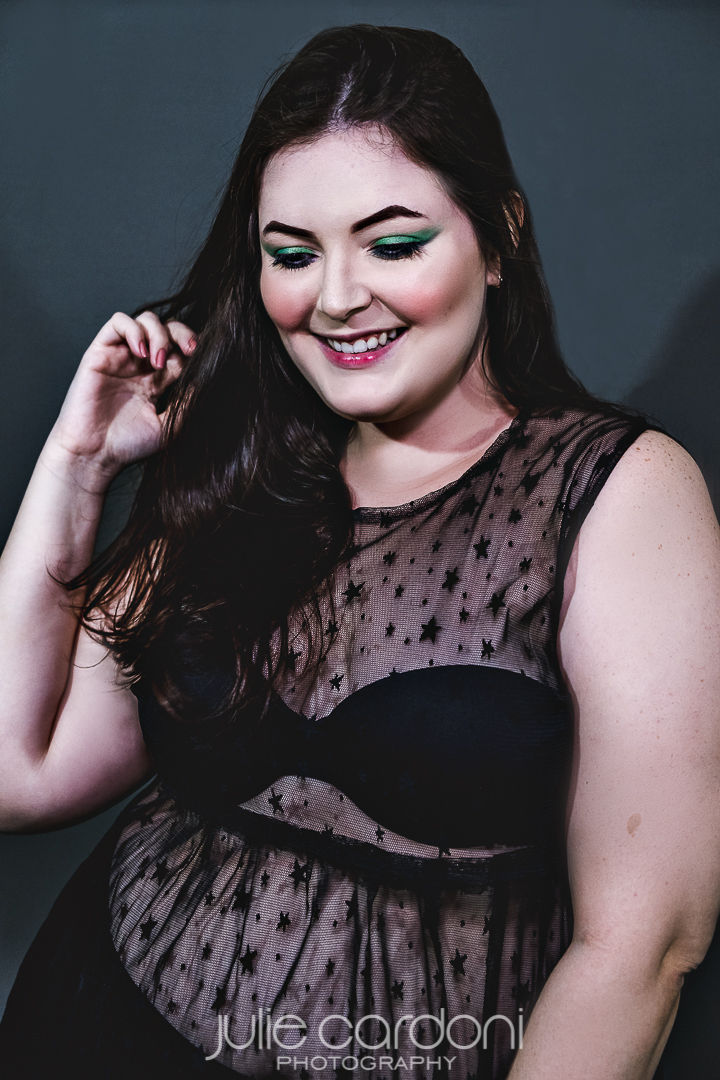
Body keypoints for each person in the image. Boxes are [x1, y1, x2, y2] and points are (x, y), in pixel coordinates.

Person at [0, 22, 719, 1080]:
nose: (336, 297)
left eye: (393, 244)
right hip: (95, 1024)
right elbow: (17, 773)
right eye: (293, 254)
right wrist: (78, 465)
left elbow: (645, 947)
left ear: (498, 238)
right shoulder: (240, 472)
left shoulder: (616, 494)